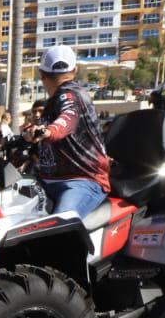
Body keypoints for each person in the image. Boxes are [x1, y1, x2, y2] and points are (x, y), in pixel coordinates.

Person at [24, 45, 111, 220]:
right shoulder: (53, 102)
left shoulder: (71, 95)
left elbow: (67, 117)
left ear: (41, 74)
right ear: (75, 70)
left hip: (82, 181)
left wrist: (48, 131)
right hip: (47, 181)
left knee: (60, 225)